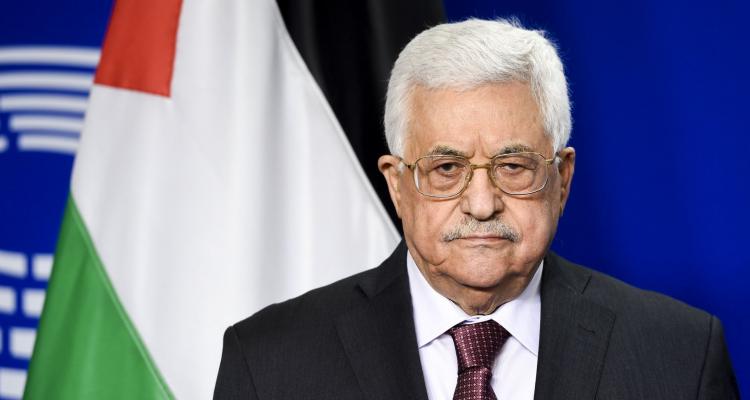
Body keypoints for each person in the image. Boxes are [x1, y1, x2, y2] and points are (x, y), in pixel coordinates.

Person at [214, 18, 739, 399]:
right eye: (446, 168)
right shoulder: (269, 362)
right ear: (397, 185)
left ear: (562, 180)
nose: (482, 204)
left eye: (513, 166)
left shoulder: (679, 355)